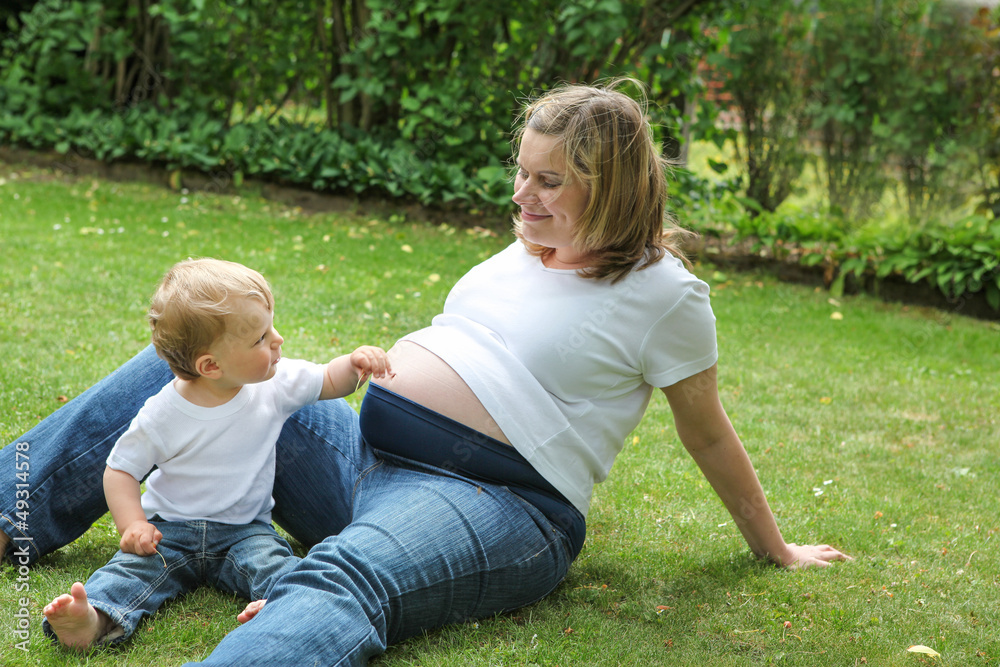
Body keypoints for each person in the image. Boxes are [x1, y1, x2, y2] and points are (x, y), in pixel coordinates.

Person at [0, 79, 849, 665]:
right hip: (362, 462)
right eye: (523, 170)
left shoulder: (666, 294)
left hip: (501, 503)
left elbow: (705, 427)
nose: (523, 194)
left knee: (346, 575)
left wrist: (773, 548)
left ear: (615, 186)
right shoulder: (525, 244)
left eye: (550, 181)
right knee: (186, 373)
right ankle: (10, 511)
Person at [39, 258, 392, 651]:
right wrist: (132, 525)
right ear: (211, 365)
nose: (277, 340)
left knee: (280, 568)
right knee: (130, 571)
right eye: (260, 338)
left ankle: (279, 608)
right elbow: (120, 470)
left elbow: (327, 379)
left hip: (246, 531)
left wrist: (354, 364)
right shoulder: (162, 412)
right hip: (169, 530)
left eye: (270, 326)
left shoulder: (275, 384)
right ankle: (92, 618)